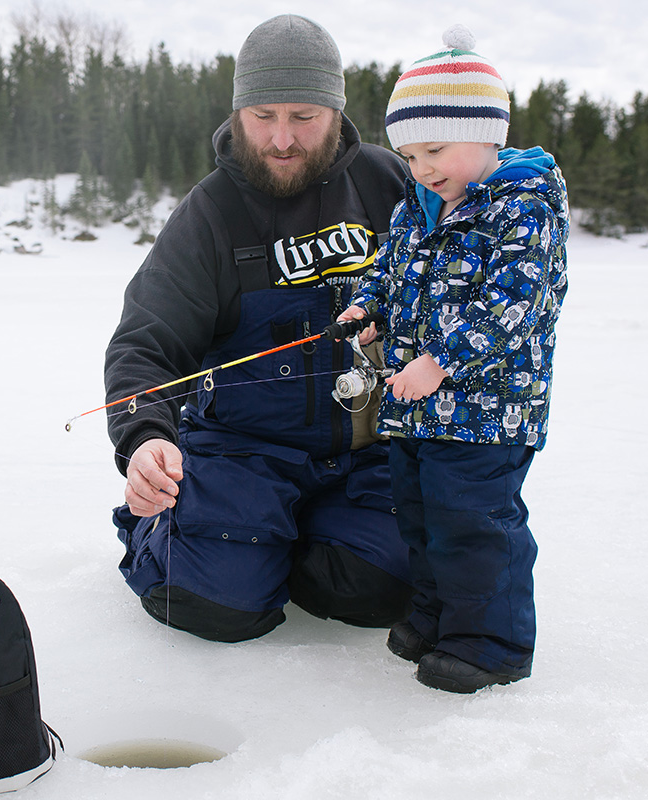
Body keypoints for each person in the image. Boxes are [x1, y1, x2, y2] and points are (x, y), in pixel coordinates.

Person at [104, 14, 414, 643]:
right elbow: (145, 342)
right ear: (238, 110)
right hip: (243, 451)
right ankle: (165, 529)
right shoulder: (210, 215)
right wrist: (142, 439)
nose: (281, 139)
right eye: (263, 115)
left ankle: (295, 539)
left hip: (365, 455)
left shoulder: (388, 183)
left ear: (337, 111)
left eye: (304, 117)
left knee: (381, 586)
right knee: (213, 604)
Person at [338, 25, 569, 692]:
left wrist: (440, 361)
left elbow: (512, 307)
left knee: (473, 524)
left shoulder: (524, 211)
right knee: (419, 516)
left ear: (486, 134)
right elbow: (390, 268)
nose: (421, 168)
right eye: (409, 156)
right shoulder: (420, 207)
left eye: (434, 150)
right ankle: (438, 619)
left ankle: (492, 643)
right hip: (416, 409)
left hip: (486, 411)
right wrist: (368, 307)